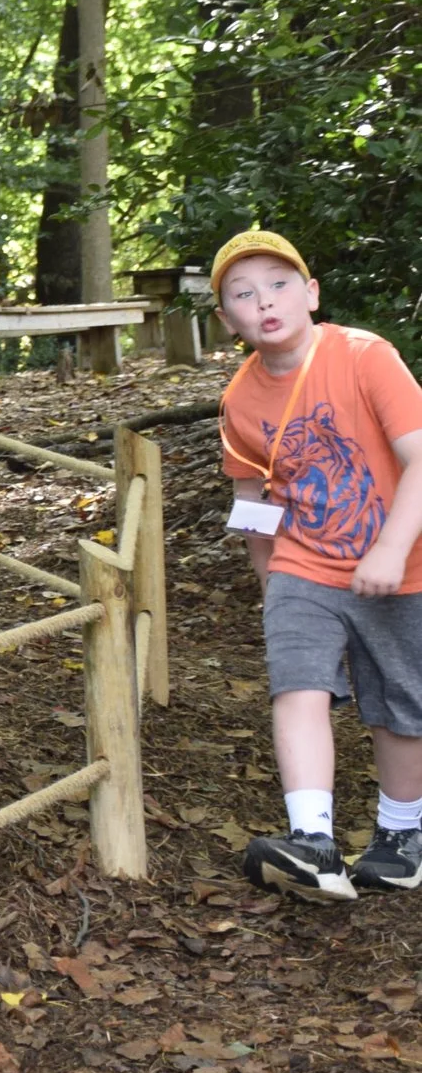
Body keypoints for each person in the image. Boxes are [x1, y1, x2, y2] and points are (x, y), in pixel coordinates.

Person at [215, 230, 422, 900]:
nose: (264, 302)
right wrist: (270, 580)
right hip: (304, 565)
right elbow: (252, 500)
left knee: (398, 705)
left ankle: (400, 837)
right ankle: (313, 841)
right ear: (228, 320)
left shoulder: (364, 356)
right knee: (296, 683)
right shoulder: (240, 400)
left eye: (278, 285)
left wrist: (391, 548)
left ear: (311, 293)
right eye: (243, 294)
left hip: (402, 559)